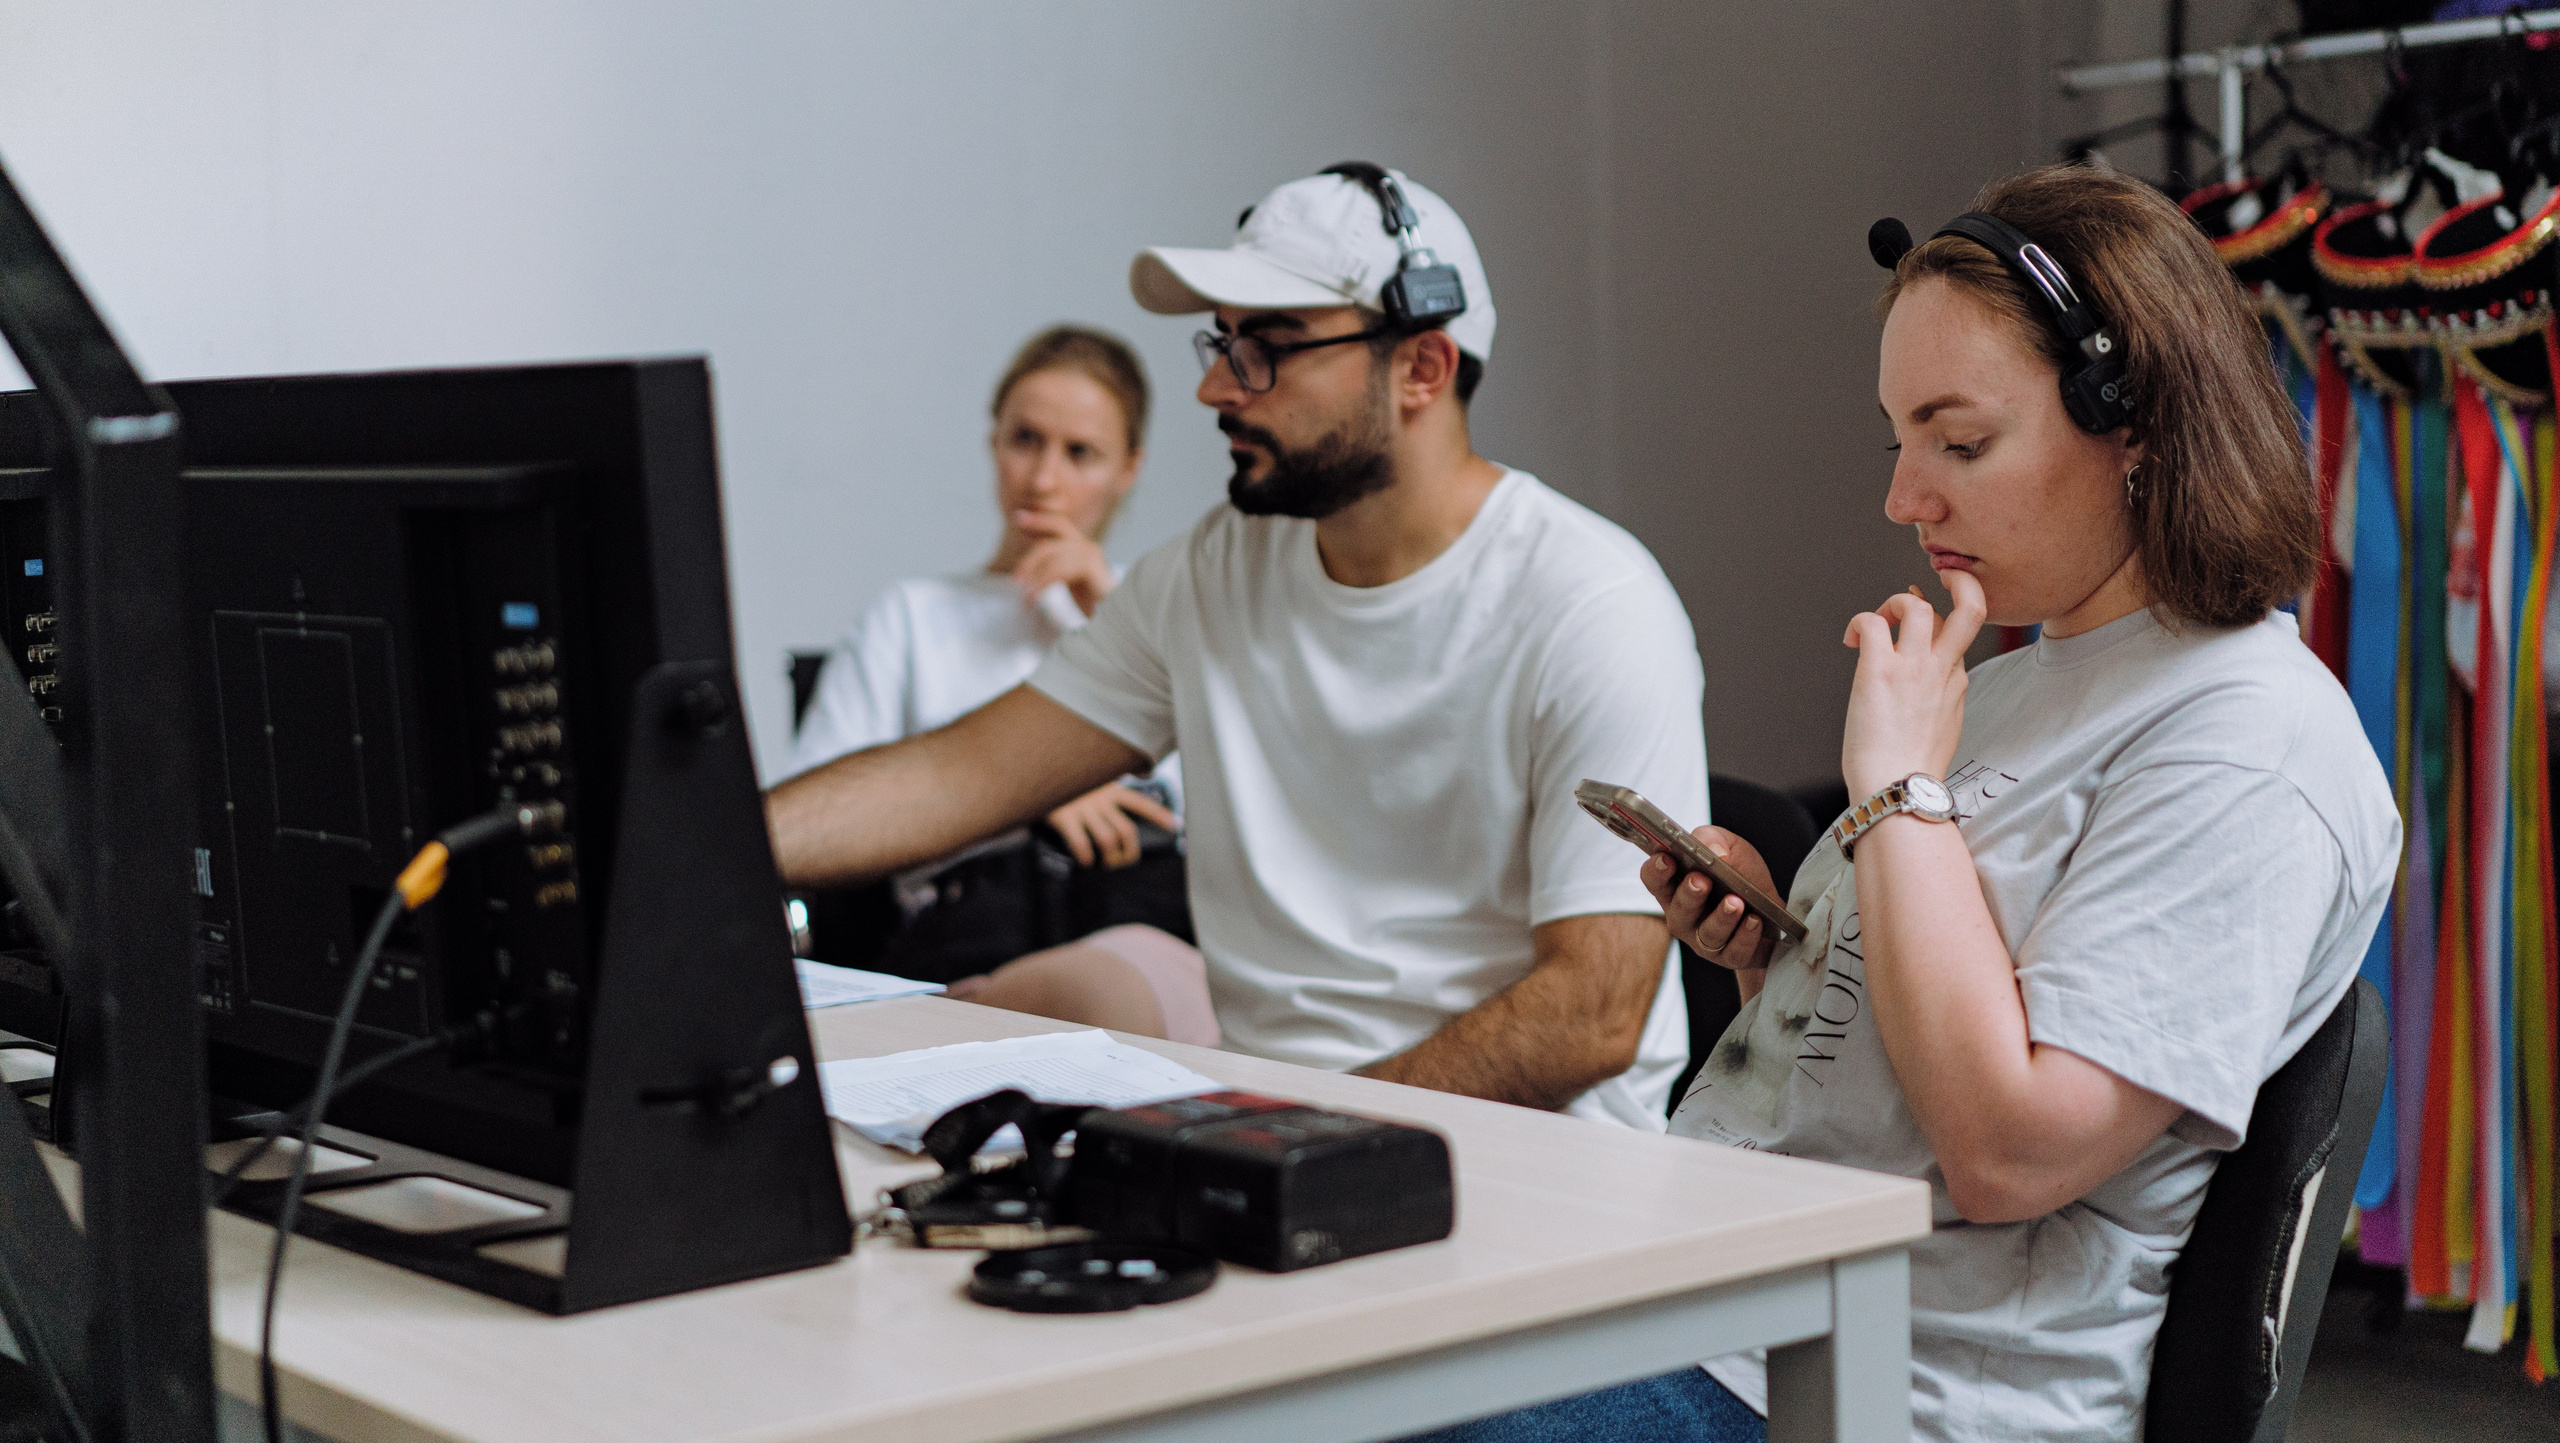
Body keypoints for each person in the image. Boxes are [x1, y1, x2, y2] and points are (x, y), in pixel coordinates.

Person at [1408, 164, 2397, 1443]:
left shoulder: (2250, 747)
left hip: (1893, 1394)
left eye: (1961, 441)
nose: (1903, 498)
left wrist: (1896, 794)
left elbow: (2009, 1156)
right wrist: (1781, 964)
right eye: (1900, 440)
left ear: (2135, 419)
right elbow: (1898, 1074)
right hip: (1731, 1313)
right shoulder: (2015, 682)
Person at [768, 164, 1705, 1128]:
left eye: (1270, 347)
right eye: (1221, 342)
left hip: (1532, 1167)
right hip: (1277, 1138)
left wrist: (1286, 1134)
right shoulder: (1212, 573)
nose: (1219, 385)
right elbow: (956, 776)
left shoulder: (1591, 603)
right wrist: (684, 846)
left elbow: (1592, 1014)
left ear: (1422, 367)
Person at [790, 326, 1209, 1043]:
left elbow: (1231, 807)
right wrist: (1036, 790)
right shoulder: (913, 614)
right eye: (1025, 439)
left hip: (1144, 921)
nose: (1044, 478)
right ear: (994, 444)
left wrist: (1109, 607)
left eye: (1080, 453)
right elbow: (818, 823)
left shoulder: (1162, 607)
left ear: (1128, 467)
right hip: (973, 925)